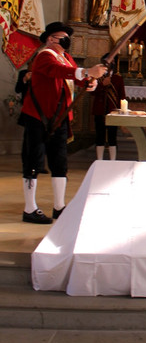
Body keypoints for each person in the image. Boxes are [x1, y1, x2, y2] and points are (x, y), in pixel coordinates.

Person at [20, 21, 107, 224]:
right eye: (62, 37)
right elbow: (57, 71)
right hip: (38, 118)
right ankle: (29, 208)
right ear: (50, 39)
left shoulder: (66, 58)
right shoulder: (44, 56)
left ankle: (59, 206)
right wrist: (86, 72)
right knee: (34, 160)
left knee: (60, 162)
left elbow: (76, 77)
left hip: (59, 118)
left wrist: (90, 81)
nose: (66, 41)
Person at [92, 68, 126, 160]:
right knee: (100, 135)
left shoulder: (117, 78)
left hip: (113, 111)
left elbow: (122, 96)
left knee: (112, 136)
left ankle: (113, 160)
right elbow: (92, 91)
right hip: (99, 110)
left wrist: (121, 110)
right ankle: (99, 160)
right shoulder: (97, 77)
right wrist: (102, 85)